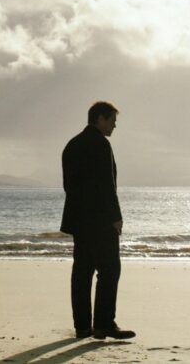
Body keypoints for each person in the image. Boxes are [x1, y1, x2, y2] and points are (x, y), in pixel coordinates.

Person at [60, 101, 136, 340]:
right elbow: (106, 185)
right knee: (110, 270)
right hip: (101, 220)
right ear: (100, 118)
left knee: (82, 272)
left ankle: (82, 326)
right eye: (112, 120)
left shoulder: (72, 145)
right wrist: (116, 217)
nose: (115, 126)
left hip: (79, 220)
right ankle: (104, 323)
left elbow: (68, 186)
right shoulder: (101, 144)